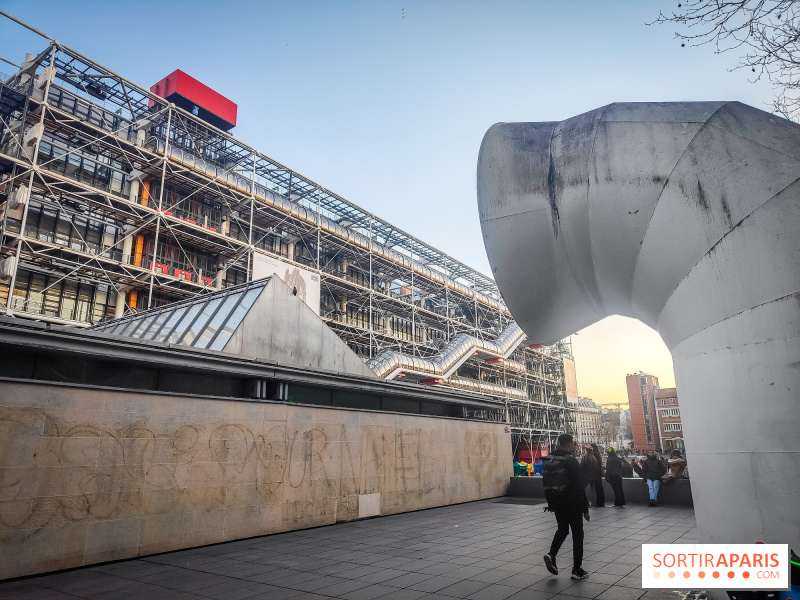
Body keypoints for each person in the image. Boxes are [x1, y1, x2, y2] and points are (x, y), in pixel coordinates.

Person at [542, 434, 590, 580]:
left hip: (557, 502)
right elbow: (579, 486)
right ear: (569, 444)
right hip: (572, 503)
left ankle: (551, 554)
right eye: (574, 444)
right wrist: (585, 509)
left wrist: (551, 503)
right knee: (577, 534)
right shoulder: (570, 460)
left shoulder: (551, 459)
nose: (574, 447)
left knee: (562, 530)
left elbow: (546, 482)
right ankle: (576, 569)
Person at [590, 443, 605, 508]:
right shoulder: (598, 454)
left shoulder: (593, 454)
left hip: (595, 473)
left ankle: (598, 502)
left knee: (597, 488)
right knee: (599, 487)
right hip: (598, 472)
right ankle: (601, 501)